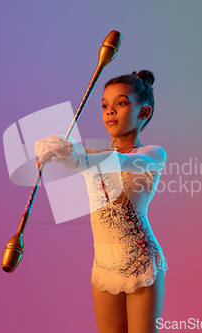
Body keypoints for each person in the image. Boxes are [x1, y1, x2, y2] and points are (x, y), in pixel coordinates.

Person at [35, 70, 167, 333]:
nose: (110, 111)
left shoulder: (152, 154)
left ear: (144, 112)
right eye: (105, 105)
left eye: (121, 103)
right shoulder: (93, 155)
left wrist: (80, 160)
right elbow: (80, 156)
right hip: (103, 267)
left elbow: (120, 161)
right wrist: (58, 149)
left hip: (140, 262)